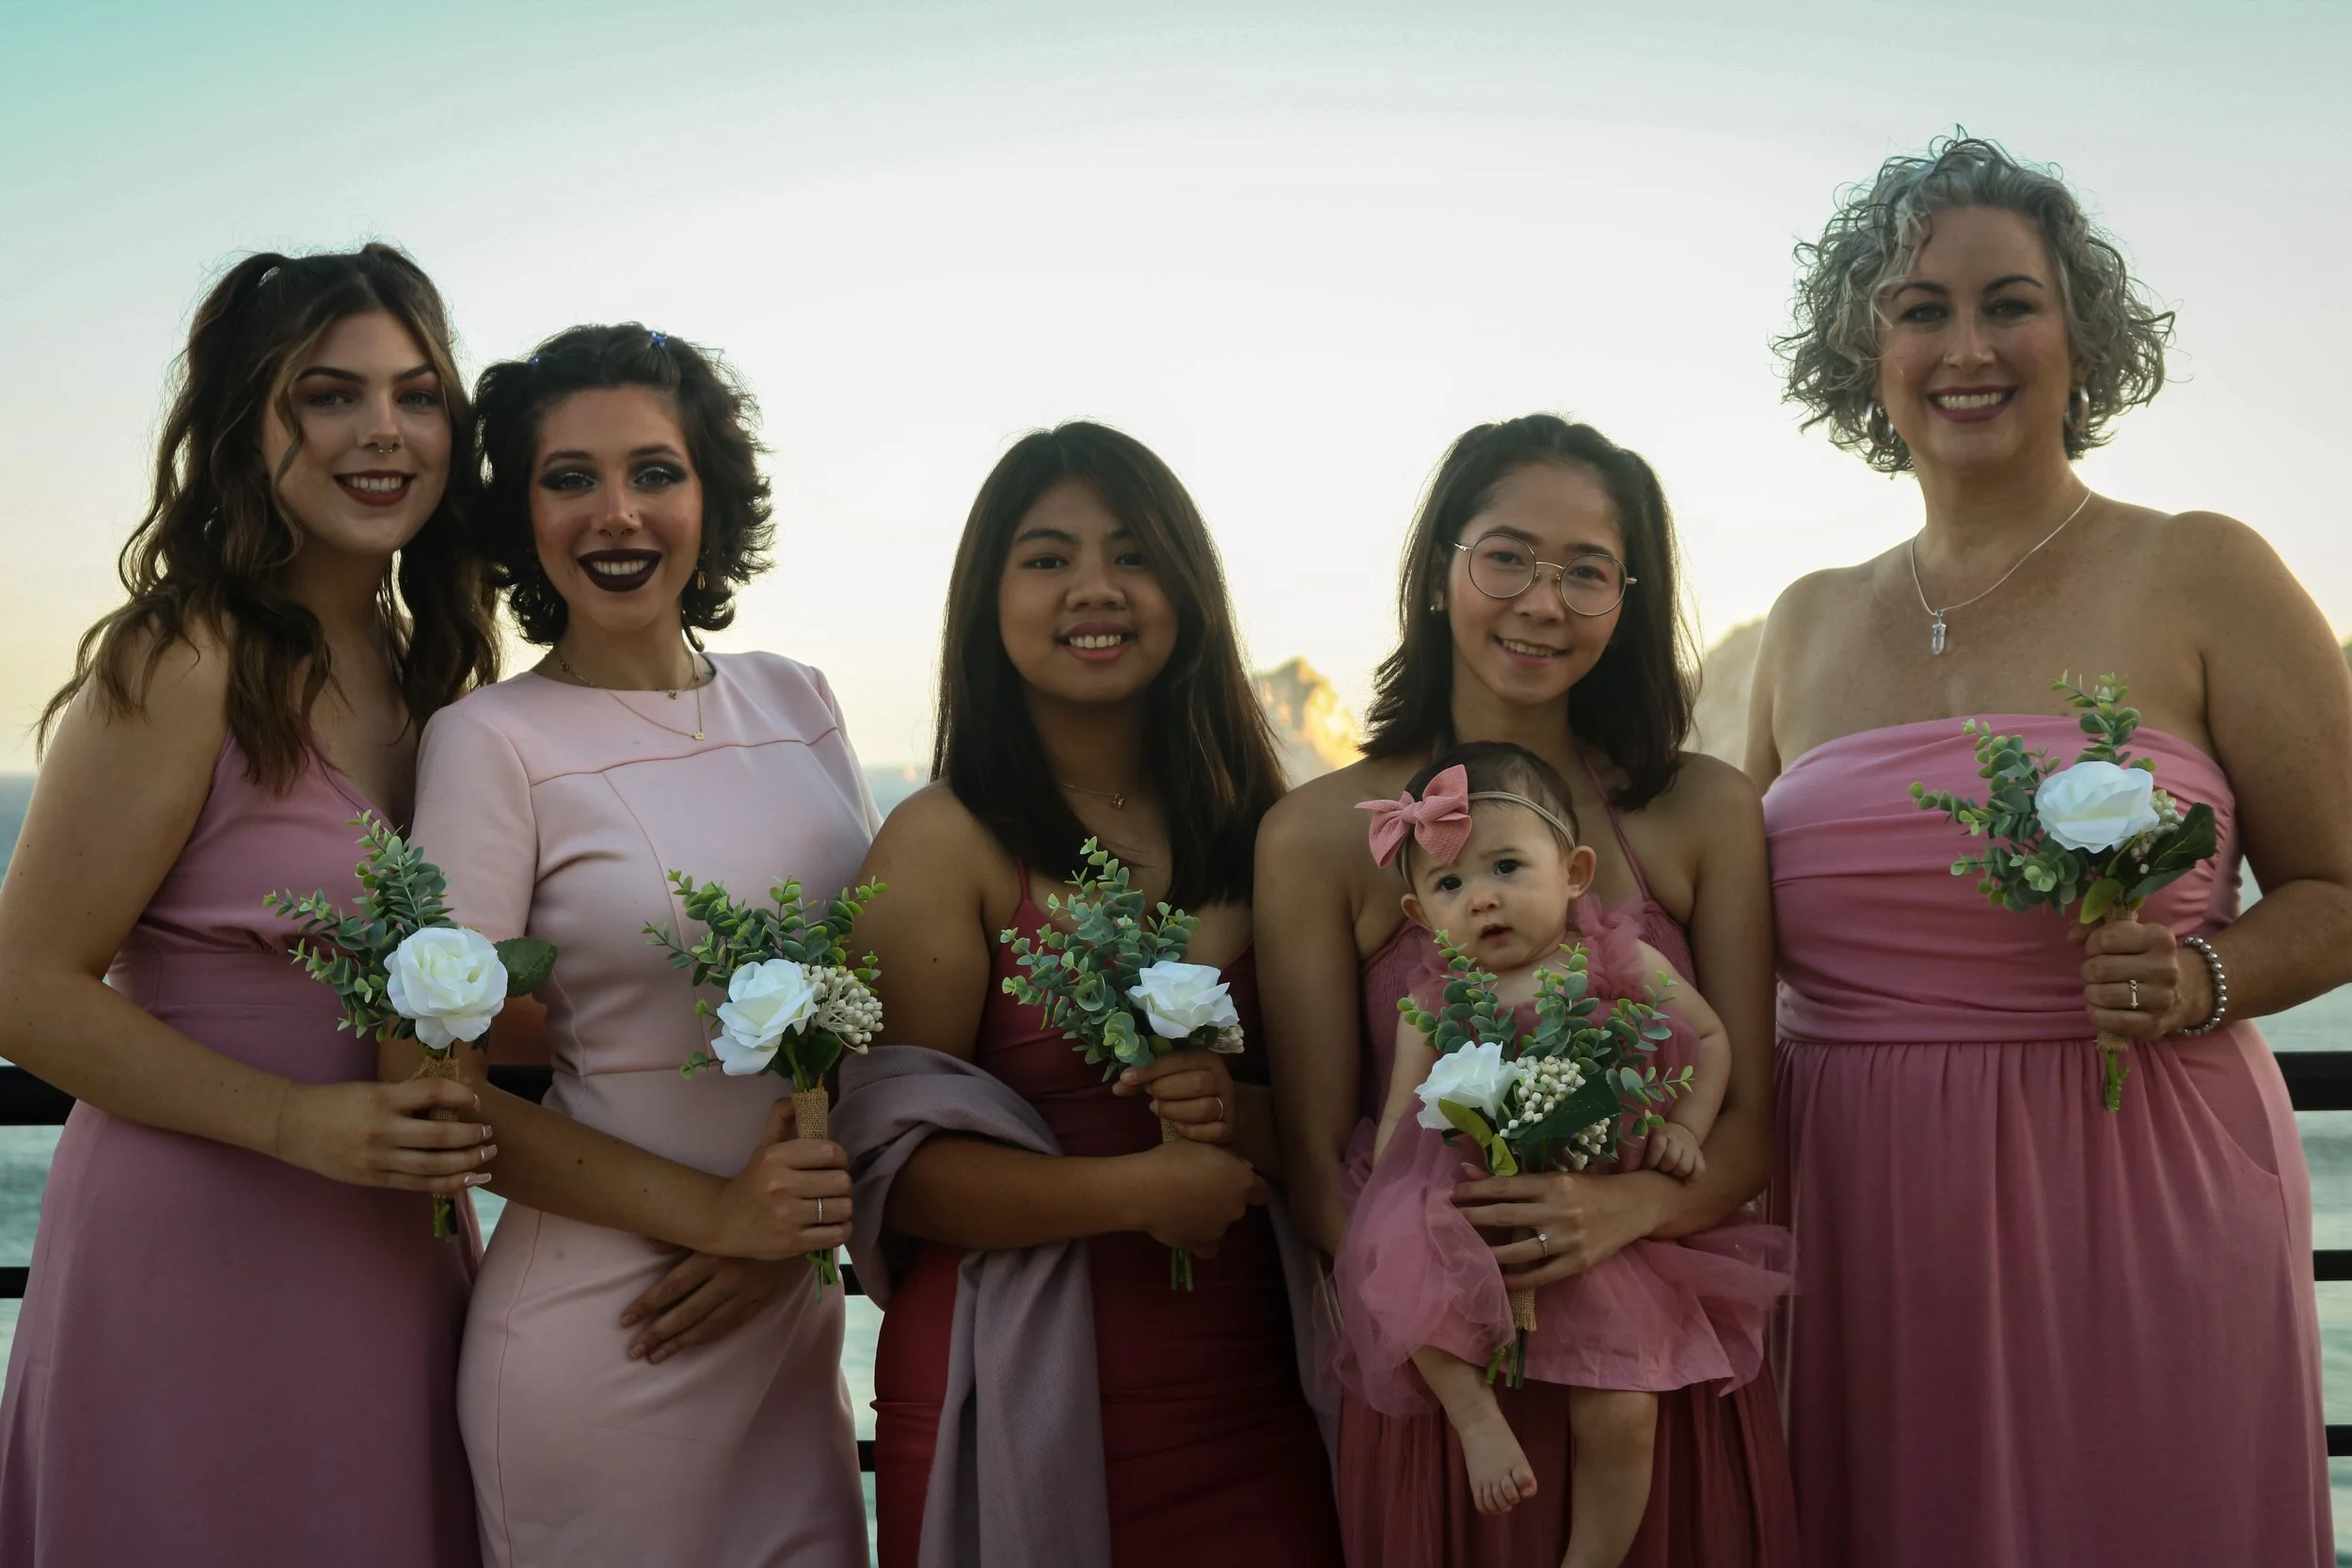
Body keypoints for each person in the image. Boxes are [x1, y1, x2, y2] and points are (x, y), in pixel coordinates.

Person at [1751, 134, 2347, 1567]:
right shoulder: (1803, 620)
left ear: (2082, 336)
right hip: (1857, 1224)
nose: (1968, 346)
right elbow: (1714, 928)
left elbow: (2342, 886)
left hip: (2135, 1189)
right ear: (1866, 352)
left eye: (2009, 301)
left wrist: (2203, 974)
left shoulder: (2204, 568)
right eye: (1920, 309)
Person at [0, 245, 499, 1566]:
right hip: (197, 1246)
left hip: (392, 1240)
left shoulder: (435, 675)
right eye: (329, 395)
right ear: (245, 425)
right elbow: (25, 986)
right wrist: (297, 1120)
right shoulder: (183, 654)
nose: (383, 430)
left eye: (417, 393)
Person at [1258, 414, 1798, 1565]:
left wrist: (1626, 1213)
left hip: (1653, 1377)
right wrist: (1455, 1321)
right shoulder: (1317, 833)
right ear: (1442, 565)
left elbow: (1750, 1121)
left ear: (1628, 598)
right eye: (1505, 556)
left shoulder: (1699, 809)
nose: (1541, 602)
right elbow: (1314, 1166)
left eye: (1586, 572)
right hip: (1452, 1405)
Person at [844, 421, 1343, 1567]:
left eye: (1132, 553)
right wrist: (1135, 1191)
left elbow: (1333, 1114)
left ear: (1186, 589)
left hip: (1257, 1390)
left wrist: (1245, 1122)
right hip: (1016, 1382)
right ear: (989, 597)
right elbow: (889, 1167)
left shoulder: (1277, 835)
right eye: (1047, 557)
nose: (1095, 590)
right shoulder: (941, 842)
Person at [409, 325, 868, 1567]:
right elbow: (428, 1095)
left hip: (785, 1326)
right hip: (614, 1337)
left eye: (656, 471)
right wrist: (726, 1218)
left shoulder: (800, 697)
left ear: (710, 496)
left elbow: (870, 1007)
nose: (618, 513)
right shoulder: (489, 740)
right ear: (523, 514)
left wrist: (789, 1240)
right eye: (570, 477)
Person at [1338, 743, 1785, 1568]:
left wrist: (1685, 1126)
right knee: (1392, 1258)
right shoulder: (1431, 1001)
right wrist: (1394, 1209)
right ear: (1418, 916)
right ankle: (1474, 1413)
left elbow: (1714, 1037)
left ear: (1575, 870)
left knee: (1622, 1405)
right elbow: (1402, 1120)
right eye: (1449, 884)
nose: (1483, 898)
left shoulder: (1616, 965)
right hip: (1469, 1200)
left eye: (1507, 866)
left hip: (1597, 1209)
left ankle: (1593, 1555)